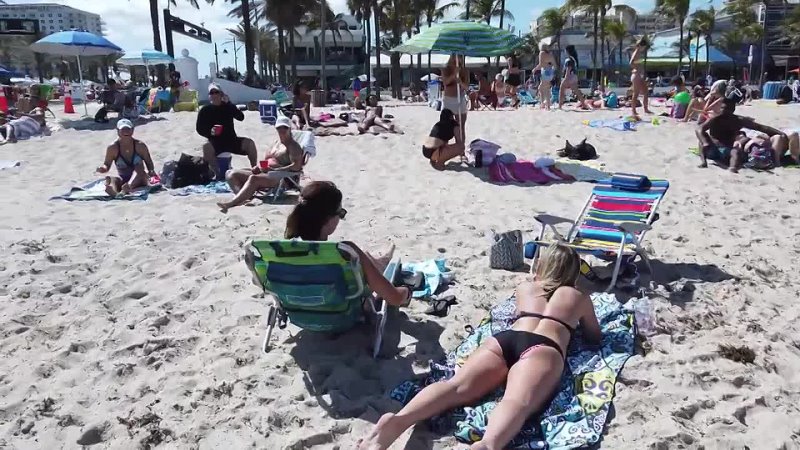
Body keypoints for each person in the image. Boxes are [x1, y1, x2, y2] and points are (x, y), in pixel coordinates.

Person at [358, 243, 602, 450]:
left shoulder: (526, 288)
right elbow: (594, 336)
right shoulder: (578, 296)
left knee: (454, 386)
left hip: (506, 339)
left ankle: (400, 420)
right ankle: (487, 445)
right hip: (544, 349)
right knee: (515, 402)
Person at [284, 181, 411, 307]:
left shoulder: (283, 251)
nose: (340, 218)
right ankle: (380, 263)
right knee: (360, 260)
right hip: (343, 318)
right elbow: (395, 298)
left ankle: (378, 261)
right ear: (328, 220)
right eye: (340, 213)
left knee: (363, 260)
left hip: (301, 315)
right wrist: (406, 291)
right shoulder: (344, 251)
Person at [216, 116, 305, 212]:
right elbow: (266, 161)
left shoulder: (293, 146)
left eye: (285, 127)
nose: (282, 130)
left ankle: (231, 203)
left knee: (253, 179)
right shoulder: (276, 144)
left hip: (282, 178)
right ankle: (245, 198)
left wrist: (275, 170)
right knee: (230, 174)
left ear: (290, 128)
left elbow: (296, 167)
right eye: (279, 128)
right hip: (266, 173)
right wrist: (258, 167)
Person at [696, 91, 791, 173]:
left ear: (732, 110)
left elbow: (760, 127)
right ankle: (703, 162)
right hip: (713, 149)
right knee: (701, 141)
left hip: (727, 150)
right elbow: (699, 129)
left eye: (726, 109)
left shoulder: (738, 120)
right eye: (722, 108)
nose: (724, 111)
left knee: (735, 151)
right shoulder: (715, 119)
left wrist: (780, 133)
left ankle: (732, 168)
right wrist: (705, 142)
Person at [196, 83, 258, 180]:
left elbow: (241, 117)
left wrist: (229, 103)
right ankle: (218, 174)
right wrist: (211, 132)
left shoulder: (228, 107)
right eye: (211, 93)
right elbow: (199, 128)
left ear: (221, 94)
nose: (214, 95)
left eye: (216, 92)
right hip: (216, 141)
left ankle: (255, 170)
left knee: (250, 144)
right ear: (209, 96)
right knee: (206, 147)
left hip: (231, 140)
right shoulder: (205, 110)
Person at [96, 119, 157, 196]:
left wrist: (151, 171)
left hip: (140, 178)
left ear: (132, 130)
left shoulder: (140, 146)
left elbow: (149, 162)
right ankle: (114, 191)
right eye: (123, 129)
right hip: (123, 178)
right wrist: (102, 169)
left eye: (128, 129)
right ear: (118, 131)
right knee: (114, 179)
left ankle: (128, 187)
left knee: (139, 169)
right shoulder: (113, 148)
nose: (126, 131)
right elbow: (107, 165)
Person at [441, 54, 469, 146]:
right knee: (446, 126)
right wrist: (454, 75)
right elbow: (445, 82)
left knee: (461, 126)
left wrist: (460, 81)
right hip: (448, 100)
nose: (458, 59)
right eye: (456, 56)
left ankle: (461, 149)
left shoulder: (464, 70)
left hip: (460, 98)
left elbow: (467, 87)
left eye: (460, 56)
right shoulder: (445, 69)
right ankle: (444, 148)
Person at [629, 37, 653, 120]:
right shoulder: (636, 52)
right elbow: (631, 62)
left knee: (646, 92)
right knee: (636, 93)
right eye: (644, 47)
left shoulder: (639, 53)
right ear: (640, 46)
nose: (644, 49)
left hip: (639, 75)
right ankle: (633, 110)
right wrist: (635, 68)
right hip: (636, 76)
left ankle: (646, 109)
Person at [559, 45, 588, 110]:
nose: (565, 52)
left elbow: (568, 69)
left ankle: (560, 106)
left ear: (568, 51)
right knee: (576, 91)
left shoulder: (568, 60)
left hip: (569, 76)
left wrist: (565, 78)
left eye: (565, 50)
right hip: (574, 76)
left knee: (561, 90)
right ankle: (584, 105)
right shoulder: (574, 59)